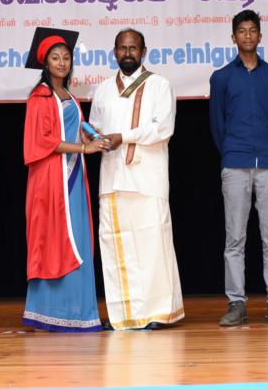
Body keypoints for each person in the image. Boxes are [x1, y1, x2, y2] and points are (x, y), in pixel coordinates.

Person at [209, 10, 268, 326]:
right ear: (233, 37)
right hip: (235, 163)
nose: (247, 36)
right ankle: (236, 303)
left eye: (253, 31)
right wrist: (233, 151)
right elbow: (217, 125)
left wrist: (265, 149)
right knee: (234, 240)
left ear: (260, 36)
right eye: (242, 31)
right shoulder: (221, 77)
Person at [89, 28, 184, 330]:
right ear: (114, 51)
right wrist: (91, 137)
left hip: (147, 179)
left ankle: (158, 313)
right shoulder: (103, 89)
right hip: (112, 179)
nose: (127, 53)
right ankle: (123, 316)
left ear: (143, 52)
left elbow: (162, 129)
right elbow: (94, 126)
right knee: (116, 247)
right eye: (122, 48)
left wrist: (123, 136)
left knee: (152, 247)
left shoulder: (159, 85)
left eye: (133, 48)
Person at [22, 29, 108, 332]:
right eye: (55, 58)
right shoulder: (40, 96)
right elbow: (43, 140)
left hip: (72, 175)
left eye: (66, 57)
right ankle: (51, 312)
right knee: (54, 238)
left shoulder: (68, 95)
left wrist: (92, 135)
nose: (61, 62)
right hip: (50, 178)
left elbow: (75, 127)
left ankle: (80, 312)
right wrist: (84, 149)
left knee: (78, 238)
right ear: (45, 63)